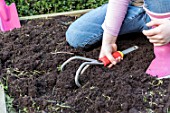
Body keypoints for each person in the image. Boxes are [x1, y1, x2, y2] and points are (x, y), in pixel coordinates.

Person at [66, 0, 170, 79]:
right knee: (77, 36)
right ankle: (147, 30)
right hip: (136, 7)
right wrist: (109, 41)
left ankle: (165, 51)